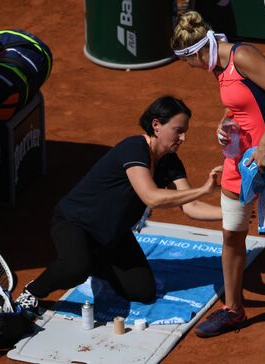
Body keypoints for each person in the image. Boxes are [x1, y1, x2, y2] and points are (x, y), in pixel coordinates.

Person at [171, 11, 265, 359]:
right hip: (240, 163)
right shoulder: (219, 68)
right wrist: (224, 126)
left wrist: (264, 143)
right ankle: (234, 309)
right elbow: (241, 108)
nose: (190, 68)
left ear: (197, 52)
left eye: (188, 61)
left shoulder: (243, 56)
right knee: (232, 234)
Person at [15, 95, 222, 312]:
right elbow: (151, 197)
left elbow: (191, 206)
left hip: (111, 234)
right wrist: (204, 189)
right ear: (156, 125)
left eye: (184, 131)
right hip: (76, 222)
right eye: (178, 130)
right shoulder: (134, 148)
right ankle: (33, 291)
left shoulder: (170, 162)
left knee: (142, 292)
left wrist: (232, 213)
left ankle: (93, 257)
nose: (183, 138)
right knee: (76, 268)